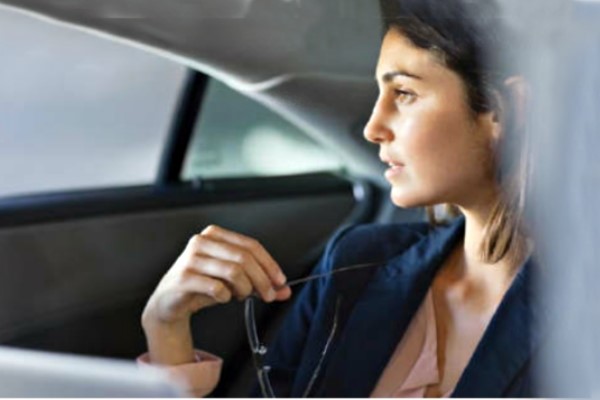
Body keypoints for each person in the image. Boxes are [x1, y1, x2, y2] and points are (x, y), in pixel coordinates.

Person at [139, 0, 542, 397]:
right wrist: (166, 330)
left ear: (501, 111)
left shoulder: (582, 320)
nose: (372, 127)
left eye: (404, 93)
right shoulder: (352, 264)